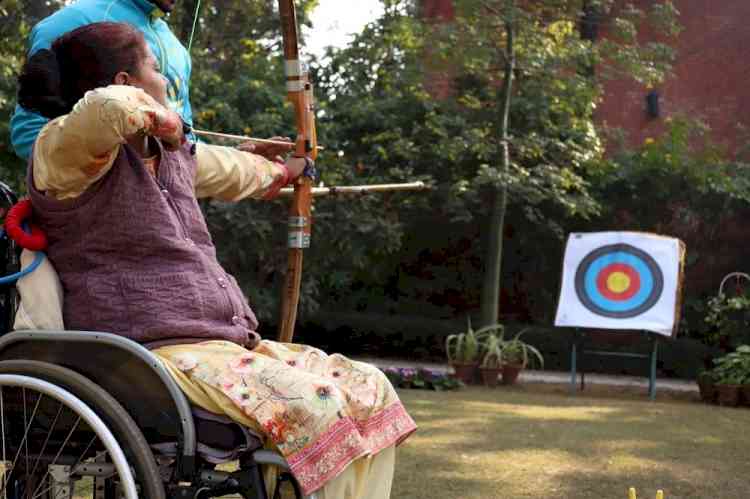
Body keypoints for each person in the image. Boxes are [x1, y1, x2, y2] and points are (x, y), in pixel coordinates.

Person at [17, 21, 416, 499]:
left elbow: (235, 169)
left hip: (222, 349)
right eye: (156, 69)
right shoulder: (62, 154)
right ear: (126, 82)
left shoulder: (174, 155)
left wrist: (287, 168)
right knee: (317, 404)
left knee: (369, 386)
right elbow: (106, 109)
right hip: (150, 356)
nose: (168, 83)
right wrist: (162, 120)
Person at [11, 0, 191, 161]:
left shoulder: (177, 49)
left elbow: (189, 142)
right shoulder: (74, 19)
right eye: (155, 69)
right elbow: (31, 132)